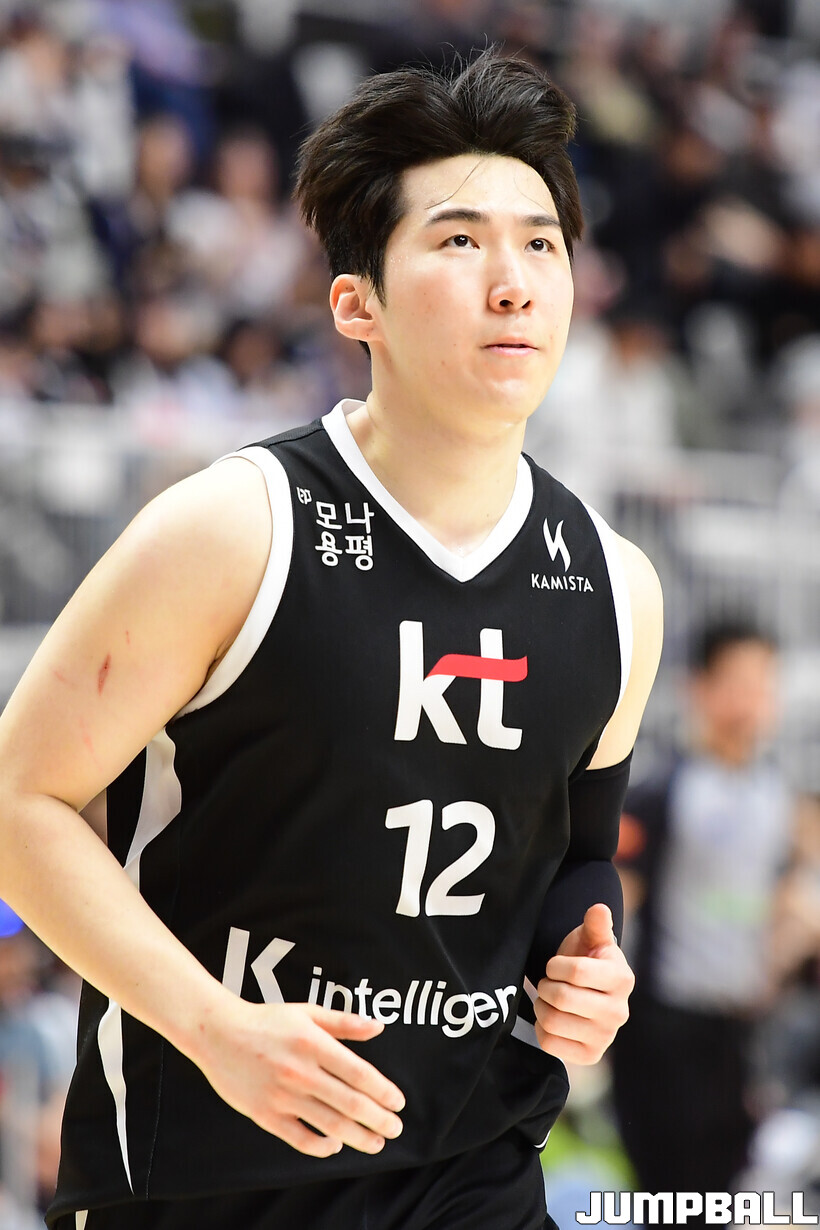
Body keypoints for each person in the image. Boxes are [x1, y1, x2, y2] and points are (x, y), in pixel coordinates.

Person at [0, 50, 662, 1230]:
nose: (512, 282)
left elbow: (574, 863)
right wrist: (213, 1027)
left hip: (474, 1179)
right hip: (206, 1180)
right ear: (358, 305)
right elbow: (20, 802)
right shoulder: (234, 529)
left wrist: (586, 968)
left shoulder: (616, 586)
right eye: (458, 241)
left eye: (540, 245)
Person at [612, 618, 792, 1215]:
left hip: (738, 1038)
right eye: (736, 683)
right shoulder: (662, 792)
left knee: (727, 1195)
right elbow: (617, 902)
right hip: (664, 1034)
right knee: (671, 1200)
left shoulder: (776, 797)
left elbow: (778, 904)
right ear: (700, 688)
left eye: (762, 685)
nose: (751, 702)